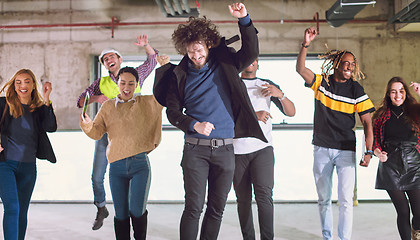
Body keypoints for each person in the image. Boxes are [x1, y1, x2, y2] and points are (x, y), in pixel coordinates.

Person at [153, 3, 266, 240]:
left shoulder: (224, 64)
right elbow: (172, 113)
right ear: (185, 49)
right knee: (194, 208)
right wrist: (193, 124)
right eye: (191, 51)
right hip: (196, 150)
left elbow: (251, 53)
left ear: (208, 45)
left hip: (226, 150)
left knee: (217, 210)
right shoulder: (178, 76)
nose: (196, 56)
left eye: (200, 50)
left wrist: (244, 19)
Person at [296, 26, 375, 240]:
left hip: (345, 150)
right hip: (321, 148)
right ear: (337, 64)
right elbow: (301, 69)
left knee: (346, 200)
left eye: (352, 64)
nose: (349, 66)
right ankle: (328, 237)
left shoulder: (356, 89)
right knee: (323, 199)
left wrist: (368, 151)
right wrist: (306, 43)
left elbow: (368, 123)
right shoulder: (322, 83)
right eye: (346, 63)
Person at [76, 35, 158, 230]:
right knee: (97, 176)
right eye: (105, 59)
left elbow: (152, 61)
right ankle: (101, 207)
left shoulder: (135, 75)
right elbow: (81, 101)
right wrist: (97, 98)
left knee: (134, 177)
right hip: (106, 134)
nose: (109, 60)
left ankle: (134, 212)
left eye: (112, 56)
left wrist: (146, 45)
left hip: (131, 136)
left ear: (120, 59)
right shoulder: (101, 82)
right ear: (104, 64)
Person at [233, 58, 295, 240]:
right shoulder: (232, 84)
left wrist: (280, 95)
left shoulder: (267, 85)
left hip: (262, 149)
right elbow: (227, 115)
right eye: (247, 58)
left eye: (254, 59)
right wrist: (254, 116)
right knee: (243, 200)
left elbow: (291, 112)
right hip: (237, 151)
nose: (250, 62)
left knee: (264, 198)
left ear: (258, 64)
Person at [0, 69, 57, 240]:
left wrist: (46, 99)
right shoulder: (3, 104)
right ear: (14, 85)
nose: (22, 85)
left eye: (26, 81)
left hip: (28, 167)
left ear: (33, 85)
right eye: (18, 82)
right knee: (12, 207)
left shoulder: (38, 109)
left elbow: (51, 127)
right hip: (5, 165)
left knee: (22, 210)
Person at [372, 77, 420, 240]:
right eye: (393, 91)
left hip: (414, 164)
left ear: (406, 93)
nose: (397, 95)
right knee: (403, 211)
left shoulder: (415, 111)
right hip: (390, 166)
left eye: (401, 91)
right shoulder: (380, 116)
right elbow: (374, 142)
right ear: (388, 94)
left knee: (419, 213)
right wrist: (378, 154)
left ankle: (417, 235)